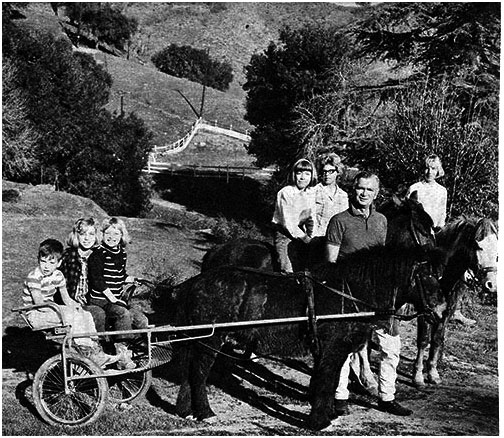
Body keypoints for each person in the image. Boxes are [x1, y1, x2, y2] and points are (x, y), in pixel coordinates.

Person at [326, 171, 412, 417]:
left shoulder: (381, 221)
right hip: (349, 297)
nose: (363, 193)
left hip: (379, 298)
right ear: (353, 190)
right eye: (360, 188)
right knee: (344, 348)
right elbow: (331, 264)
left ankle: (387, 397)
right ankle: (340, 397)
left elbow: (383, 263)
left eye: (369, 190)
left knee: (391, 346)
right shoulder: (339, 220)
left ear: (376, 194)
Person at [22, 238, 118, 368]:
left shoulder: (58, 275)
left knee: (85, 314)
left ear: (59, 262)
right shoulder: (34, 277)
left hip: (50, 309)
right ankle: (87, 352)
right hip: (36, 313)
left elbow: (66, 299)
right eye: (43, 261)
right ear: (38, 259)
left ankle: (94, 347)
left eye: (51, 262)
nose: (46, 266)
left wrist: (77, 307)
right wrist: (63, 311)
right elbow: (39, 303)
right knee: (72, 316)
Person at [407, 155, 474, 325]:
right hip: (417, 233)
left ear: (438, 171)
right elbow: (408, 213)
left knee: (453, 262)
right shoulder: (415, 188)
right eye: (427, 168)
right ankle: (407, 305)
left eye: (434, 168)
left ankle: (453, 308)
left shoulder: (442, 190)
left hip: (436, 233)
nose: (430, 172)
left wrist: (440, 231)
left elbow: (441, 216)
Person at [88, 217, 149, 370]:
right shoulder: (98, 253)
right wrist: (113, 298)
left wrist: (133, 279)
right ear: (102, 235)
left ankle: (134, 346)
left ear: (122, 236)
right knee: (122, 313)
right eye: (108, 233)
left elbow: (120, 275)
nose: (112, 237)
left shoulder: (121, 253)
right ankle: (121, 354)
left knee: (139, 317)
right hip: (100, 299)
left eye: (116, 234)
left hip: (113, 299)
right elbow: (98, 280)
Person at [59, 218, 107, 333]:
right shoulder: (68, 256)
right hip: (71, 302)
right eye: (82, 234)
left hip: (91, 300)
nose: (87, 238)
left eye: (91, 234)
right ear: (76, 235)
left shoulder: (97, 256)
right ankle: (100, 343)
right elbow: (58, 282)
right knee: (97, 313)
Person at [271, 158, 317, 273]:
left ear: (311, 176)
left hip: (300, 234)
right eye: (299, 173)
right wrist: (305, 238)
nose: (302, 177)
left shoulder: (310, 193)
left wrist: (312, 237)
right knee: (288, 268)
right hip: (284, 234)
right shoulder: (286, 193)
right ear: (294, 174)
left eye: (307, 174)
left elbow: (312, 219)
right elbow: (288, 223)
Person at [312, 153, 349, 237]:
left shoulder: (343, 195)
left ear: (338, 172)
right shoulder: (314, 191)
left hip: (336, 238)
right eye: (324, 171)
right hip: (317, 237)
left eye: (331, 171)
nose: (327, 175)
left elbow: (345, 219)